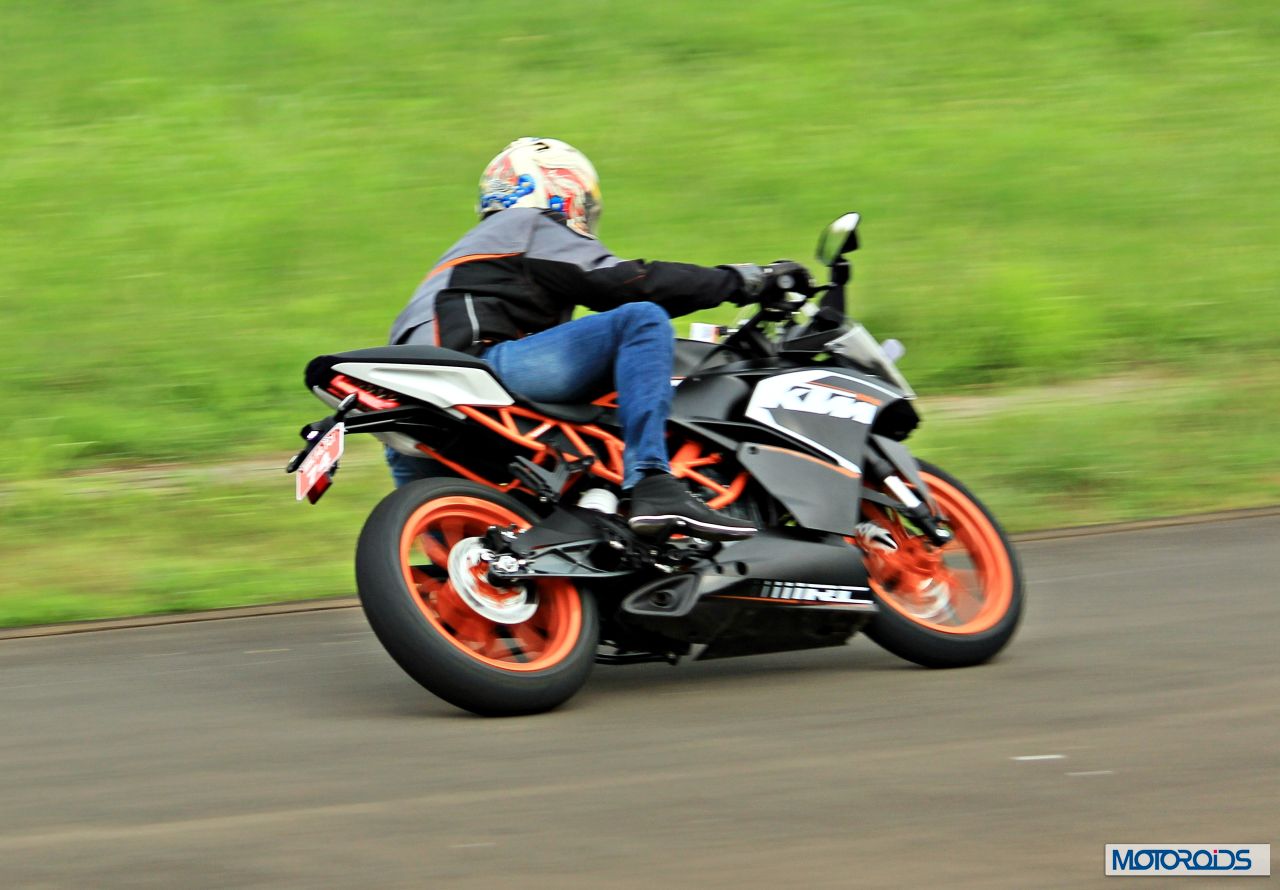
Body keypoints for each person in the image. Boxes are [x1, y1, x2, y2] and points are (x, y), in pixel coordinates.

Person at [386, 137, 807, 541]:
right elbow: (627, 283)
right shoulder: (527, 224)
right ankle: (653, 482)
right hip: (480, 364)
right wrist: (744, 280)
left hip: (415, 411)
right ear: (559, 187)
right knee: (641, 320)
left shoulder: (474, 252)